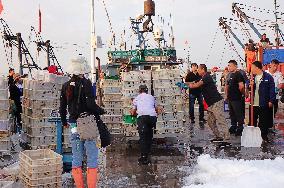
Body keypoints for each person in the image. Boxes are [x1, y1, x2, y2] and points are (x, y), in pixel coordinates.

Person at [59, 56, 105, 188]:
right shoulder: (86, 83)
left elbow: (62, 108)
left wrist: (64, 122)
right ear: (82, 69)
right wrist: (101, 111)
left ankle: (79, 186)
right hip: (87, 124)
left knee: (76, 155)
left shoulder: (65, 85)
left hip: (73, 124)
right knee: (92, 156)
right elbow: (91, 104)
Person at [188, 64, 230, 143]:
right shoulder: (203, 77)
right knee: (210, 122)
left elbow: (197, 85)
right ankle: (218, 136)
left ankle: (226, 138)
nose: (198, 71)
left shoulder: (207, 77)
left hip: (216, 102)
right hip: (211, 104)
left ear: (203, 69)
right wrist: (187, 84)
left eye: (199, 70)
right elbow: (195, 82)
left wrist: (191, 86)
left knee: (221, 120)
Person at [130, 85, 160, 165]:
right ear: (147, 91)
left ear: (139, 91)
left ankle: (144, 157)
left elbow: (132, 112)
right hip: (152, 118)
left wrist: (134, 115)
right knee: (149, 134)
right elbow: (157, 110)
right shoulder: (152, 97)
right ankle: (148, 152)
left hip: (142, 118)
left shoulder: (136, 98)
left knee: (143, 137)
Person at [249, 61, 276, 142]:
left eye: (252, 67)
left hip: (263, 103)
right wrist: (250, 85)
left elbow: (272, 89)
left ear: (257, 68)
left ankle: (263, 136)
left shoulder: (268, 77)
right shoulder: (252, 77)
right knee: (252, 121)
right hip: (253, 103)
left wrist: (271, 100)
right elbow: (248, 88)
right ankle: (252, 137)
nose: (251, 69)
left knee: (263, 121)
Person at [225, 60, 246, 136]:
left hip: (237, 98)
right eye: (228, 65)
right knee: (232, 113)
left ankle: (240, 128)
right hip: (230, 98)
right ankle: (233, 126)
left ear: (235, 66)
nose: (229, 67)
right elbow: (227, 86)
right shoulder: (230, 75)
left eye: (230, 65)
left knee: (238, 114)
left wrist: (243, 94)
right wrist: (226, 95)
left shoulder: (239, 74)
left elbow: (241, 86)